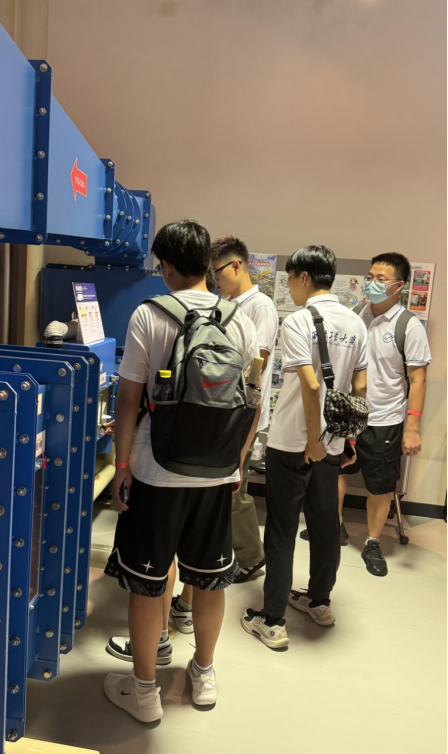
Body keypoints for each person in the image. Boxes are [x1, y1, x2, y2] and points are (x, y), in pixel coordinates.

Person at [104, 220, 261, 723]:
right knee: (210, 581)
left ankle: (144, 692)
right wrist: (236, 464)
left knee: (148, 584)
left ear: (167, 266)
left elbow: (129, 400)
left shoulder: (149, 314)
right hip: (216, 472)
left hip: (157, 470)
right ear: (207, 266)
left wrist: (122, 466)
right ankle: (204, 674)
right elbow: (253, 399)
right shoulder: (239, 318)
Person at [242, 246, 368, 650]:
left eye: (291, 278)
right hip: (332, 442)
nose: (291, 287)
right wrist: (344, 439)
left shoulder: (298, 320)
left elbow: (311, 387)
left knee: (281, 529)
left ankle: (272, 620)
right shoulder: (356, 322)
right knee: (325, 524)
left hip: (293, 442)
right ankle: (319, 601)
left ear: (303, 277)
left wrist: (312, 441)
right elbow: (360, 388)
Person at [301, 253, 431, 576]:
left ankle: (373, 542)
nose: (372, 283)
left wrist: (412, 427)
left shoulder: (408, 326)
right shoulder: (358, 315)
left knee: (380, 486)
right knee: (337, 472)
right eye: (370, 277)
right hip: (349, 413)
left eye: (380, 279)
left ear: (399, 286)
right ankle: (336, 525)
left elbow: (418, 380)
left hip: (384, 419)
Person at [211, 236, 278, 581]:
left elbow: (257, 364)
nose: (215, 279)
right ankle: (230, 551)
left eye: (218, 271)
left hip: (243, 413)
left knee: (235, 488)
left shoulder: (259, 305)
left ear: (237, 265)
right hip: (223, 408)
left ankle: (251, 558)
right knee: (224, 487)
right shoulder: (227, 303)